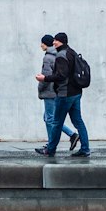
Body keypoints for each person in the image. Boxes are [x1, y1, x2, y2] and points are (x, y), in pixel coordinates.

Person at [37, 30, 90, 159]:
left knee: (56, 122)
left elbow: (61, 75)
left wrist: (45, 78)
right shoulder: (72, 52)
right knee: (78, 121)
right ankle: (85, 149)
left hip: (64, 93)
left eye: (56, 40)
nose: (53, 42)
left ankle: (50, 149)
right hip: (76, 92)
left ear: (61, 41)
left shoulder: (61, 55)